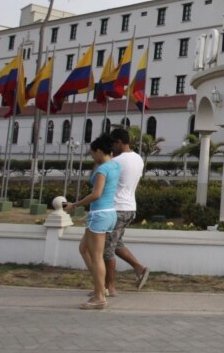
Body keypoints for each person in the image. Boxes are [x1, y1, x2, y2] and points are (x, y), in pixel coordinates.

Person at [62, 133, 121, 310]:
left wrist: (75, 205)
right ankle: (100, 287)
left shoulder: (103, 170)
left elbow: (96, 194)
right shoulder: (115, 165)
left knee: (96, 257)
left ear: (99, 151)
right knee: (84, 249)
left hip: (99, 214)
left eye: (92, 153)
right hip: (109, 213)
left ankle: (99, 296)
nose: (91, 156)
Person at [103, 128, 149, 296]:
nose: (112, 147)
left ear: (119, 142)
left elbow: (103, 181)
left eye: (113, 144)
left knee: (106, 250)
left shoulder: (117, 161)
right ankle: (139, 268)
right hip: (130, 207)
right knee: (116, 244)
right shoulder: (138, 159)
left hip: (117, 208)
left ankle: (109, 287)